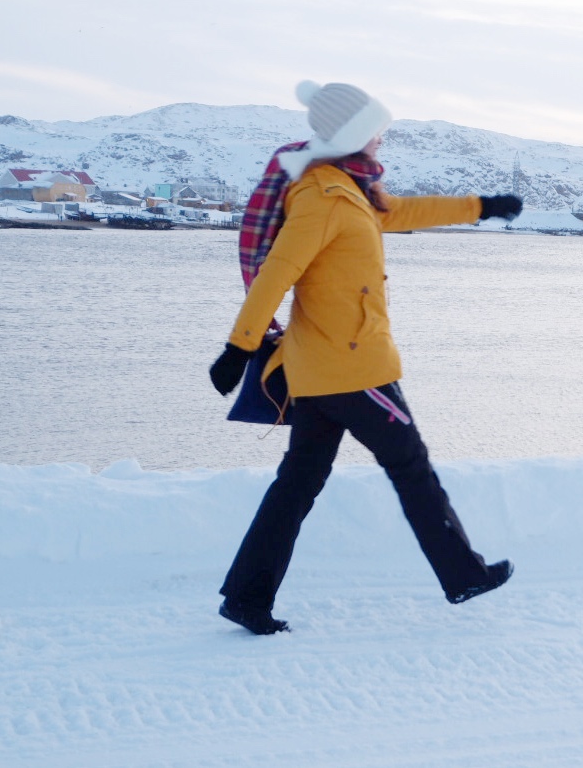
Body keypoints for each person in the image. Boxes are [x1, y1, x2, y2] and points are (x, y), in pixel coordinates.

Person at [208, 80, 523, 635]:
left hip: (321, 370)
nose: (382, 140)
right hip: (355, 371)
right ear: (353, 136)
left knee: (297, 483)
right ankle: (463, 574)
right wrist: (238, 348)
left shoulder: (350, 191)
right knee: (412, 469)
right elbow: (277, 273)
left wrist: (483, 207)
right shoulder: (323, 197)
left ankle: (246, 596)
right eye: (376, 131)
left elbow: (401, 211)